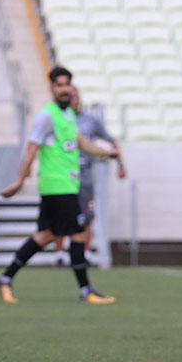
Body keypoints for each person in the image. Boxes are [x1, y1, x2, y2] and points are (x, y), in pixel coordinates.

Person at [0, 66, 118, 305]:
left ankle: (5, 278)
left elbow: (81, 142)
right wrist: (20, 180)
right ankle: (86, 290)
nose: (64, 89)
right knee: (79, 232)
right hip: (58, 186)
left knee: (46, 235)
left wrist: (107, 153)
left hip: (65, 186)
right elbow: (31, 149)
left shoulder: (68, 114)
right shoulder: (46, 116)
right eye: (59, 85)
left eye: (67, 85)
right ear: (51, 88)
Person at [54, 86, 126, 266]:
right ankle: (60, 253)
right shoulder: (57, 120)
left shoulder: (90, 121)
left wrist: (120, 163)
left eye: (76, 97)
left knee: (87, 215)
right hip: (63, 176)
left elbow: (109, 140)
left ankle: (85, 253)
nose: (74, 101)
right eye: (70, 97)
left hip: (85, 176)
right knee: (61, 214)